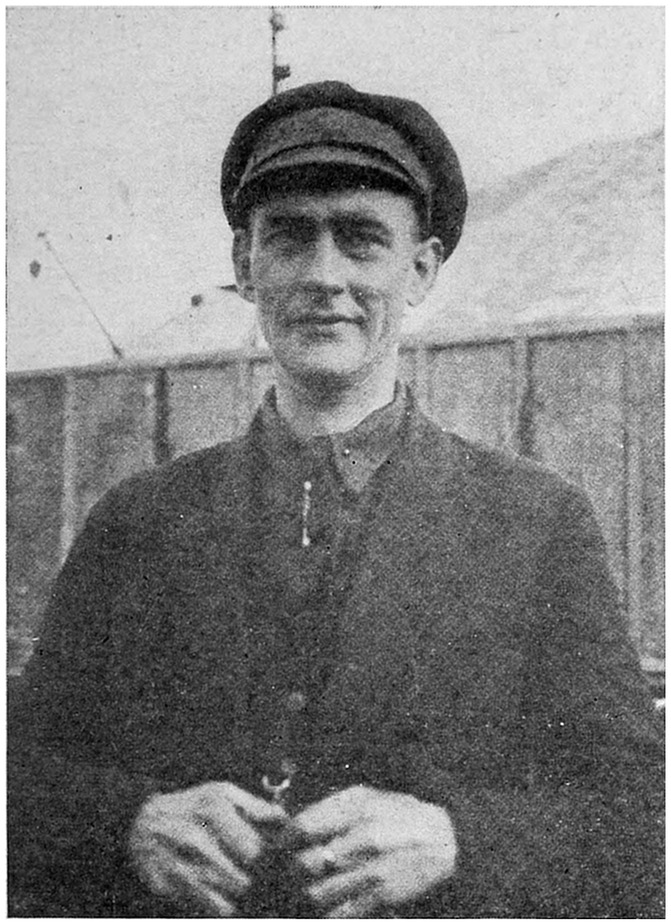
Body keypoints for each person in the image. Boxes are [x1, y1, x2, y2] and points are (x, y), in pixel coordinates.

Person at [8, 81, 663, 919]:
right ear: (245, 266)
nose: (324, 276)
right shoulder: (137, 522)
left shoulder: (534, 523)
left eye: (360, 240)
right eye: (289, 238)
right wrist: (126, 824)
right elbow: (23, 775)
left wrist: (461, 840)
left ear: (420, 269)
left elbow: (637, 815)